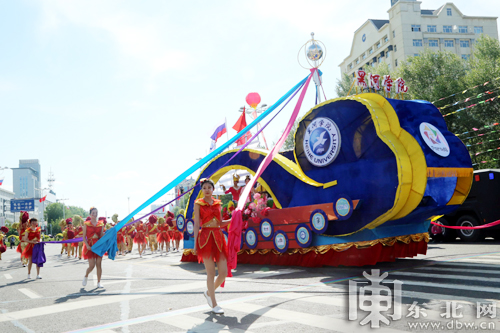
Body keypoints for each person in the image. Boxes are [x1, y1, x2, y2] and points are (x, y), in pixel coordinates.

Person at [194, 178, 231, 314]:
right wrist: (195, 244)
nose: (207, 190)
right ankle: (214, 304)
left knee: (223, 273)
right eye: (204, 188)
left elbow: (220, 223)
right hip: (205, 238)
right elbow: (197, 224)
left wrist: (234, 219)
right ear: (202, 190)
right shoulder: (198, 204)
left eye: (209, 187)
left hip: (218, 238)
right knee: (210, 273)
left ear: (213, 189)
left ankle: (209, 293)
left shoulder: (218, 203)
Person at [82, 207, 105, 289]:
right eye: (93, 213)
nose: (95, 215)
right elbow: (84, 237)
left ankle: (99, 282)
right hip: (90, 246)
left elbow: (102, 235)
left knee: (99, 264)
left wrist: (108, 233)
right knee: (92, 265)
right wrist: (87, 246)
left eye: (96, 213)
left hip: (99, 246)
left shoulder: (101, 224)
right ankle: (86, 275)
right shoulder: (86, 224)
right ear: (90, 214)